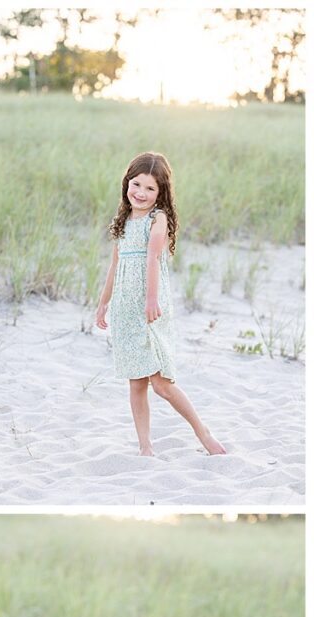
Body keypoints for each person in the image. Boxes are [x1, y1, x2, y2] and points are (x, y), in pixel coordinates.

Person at [95, 151, 226, 457]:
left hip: (149, 307)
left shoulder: (158, 219)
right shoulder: (123, 221)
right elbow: (114, 267)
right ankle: (145, 447)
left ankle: (203, 433)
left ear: (161, 192)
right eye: (136, 184)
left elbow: (153, 258)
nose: (140, 193)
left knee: (162, 383)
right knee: (137, 383)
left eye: (150, 188)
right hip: (125, 309)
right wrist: (103, 304)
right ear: (127, 182)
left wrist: (151, 300)